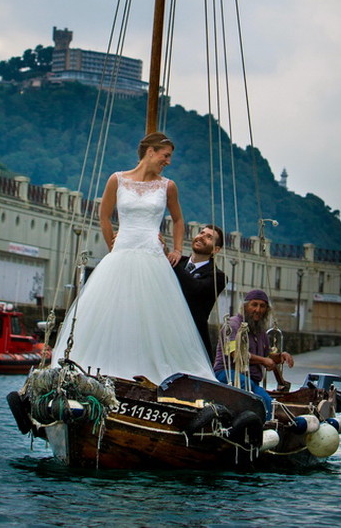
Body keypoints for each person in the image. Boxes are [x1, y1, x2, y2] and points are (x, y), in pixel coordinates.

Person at [50, 132, 215, 384]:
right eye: (165, 155)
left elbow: (178, 219)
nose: (168, 161)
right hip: (122, 253)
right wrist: (111, 244)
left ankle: (150, 375)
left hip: (152, 256)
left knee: (152, 315)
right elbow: (104, 216)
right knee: (113, 310)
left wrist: (177, 250)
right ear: (150, 151)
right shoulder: (117, 179)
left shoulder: (167, 186)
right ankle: (99, 369)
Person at [213, 289, 294, 420]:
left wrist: (281, 356)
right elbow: (235, 354)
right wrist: (263, 361)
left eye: (262, 306)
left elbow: (267, 356)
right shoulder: (233, 325)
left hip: (251, 381)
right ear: (245, 306)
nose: (258, 309)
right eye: (254, 305)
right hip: (227, 374)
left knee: (267, 401)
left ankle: (265, 431)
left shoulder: (261, 331)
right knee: (255, 397)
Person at [173, 225, 227, 360]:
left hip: (191, 342)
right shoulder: (176, 262)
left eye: (209, 237)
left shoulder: (218, 277)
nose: (202, 237)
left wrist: (171, 261)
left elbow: (195, 290)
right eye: (201, 233)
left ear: (216, 249)